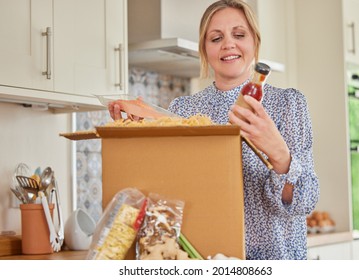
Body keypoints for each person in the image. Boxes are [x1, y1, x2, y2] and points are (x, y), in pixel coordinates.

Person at [109, 0, 319, 260]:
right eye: (216, 38)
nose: (228, 44)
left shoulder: (288, 104)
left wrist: (280, 156)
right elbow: (174, 186)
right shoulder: (184, 108)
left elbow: (303, 203)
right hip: (206, 260)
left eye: (239, 35)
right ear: (204, 50)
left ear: (255, 42)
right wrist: (140, 138)